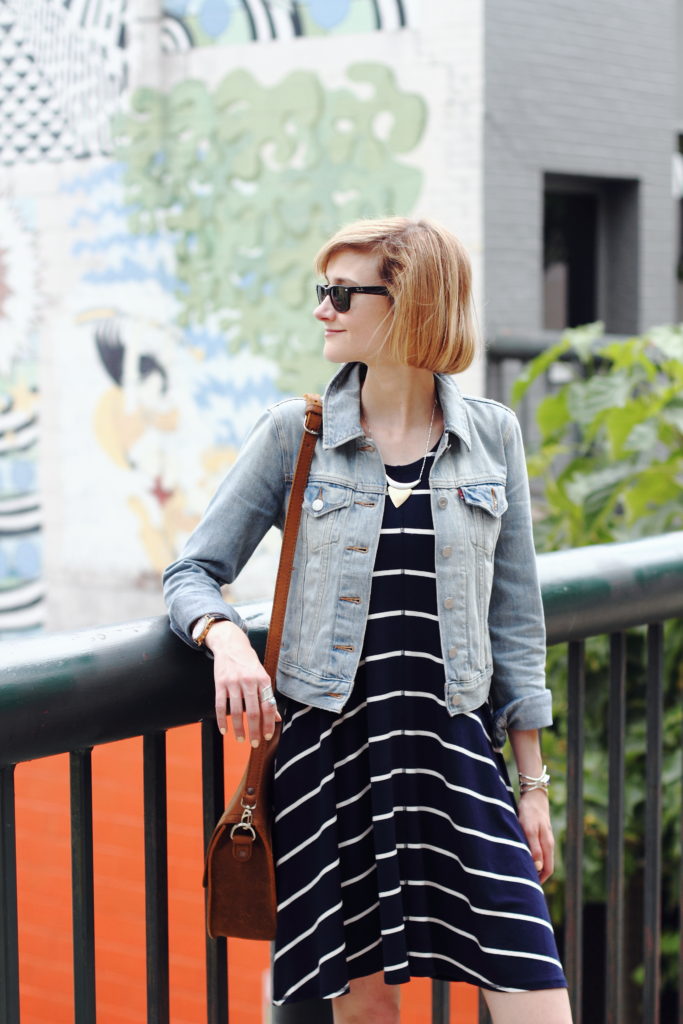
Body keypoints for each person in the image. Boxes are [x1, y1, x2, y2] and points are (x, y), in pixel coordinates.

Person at [163, 217, 573, 1024]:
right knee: (366, 1011)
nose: (323, 308)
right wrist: (226, 641)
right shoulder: (297, 433)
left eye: (343, 293)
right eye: (324, 289)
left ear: (412, 302)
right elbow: (192, 571)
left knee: (536, 998)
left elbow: (516, 622)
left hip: (454, 754)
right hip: (328, 762)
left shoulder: (491, 435)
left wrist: (531, 783)